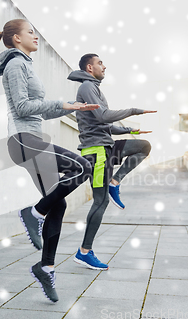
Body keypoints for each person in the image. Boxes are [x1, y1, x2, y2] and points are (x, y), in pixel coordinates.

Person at [0, 19, 99, 302]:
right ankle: (33, 213)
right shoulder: (15, 64)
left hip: (33, 138)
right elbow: (22, 107)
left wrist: (70, 107)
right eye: (30, 32)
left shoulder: (25, 64)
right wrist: (62, 103)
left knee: (58, 204)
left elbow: (40, 112)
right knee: (83, 166)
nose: (36, 37)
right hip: (23, 140)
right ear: (16, 38)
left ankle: (45, 267)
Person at [67, 53, 156, 270]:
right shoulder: (87, 86)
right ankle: (84, 252)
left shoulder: (94, 88)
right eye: (100, 63)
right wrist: (134, 110)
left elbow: (105, 125)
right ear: (89, 67)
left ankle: (115, 183)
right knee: (100, 201)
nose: (104, 66)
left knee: (143, 146)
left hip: (105, 147)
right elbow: (104, 116)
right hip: (96, 152)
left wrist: (130, 129)